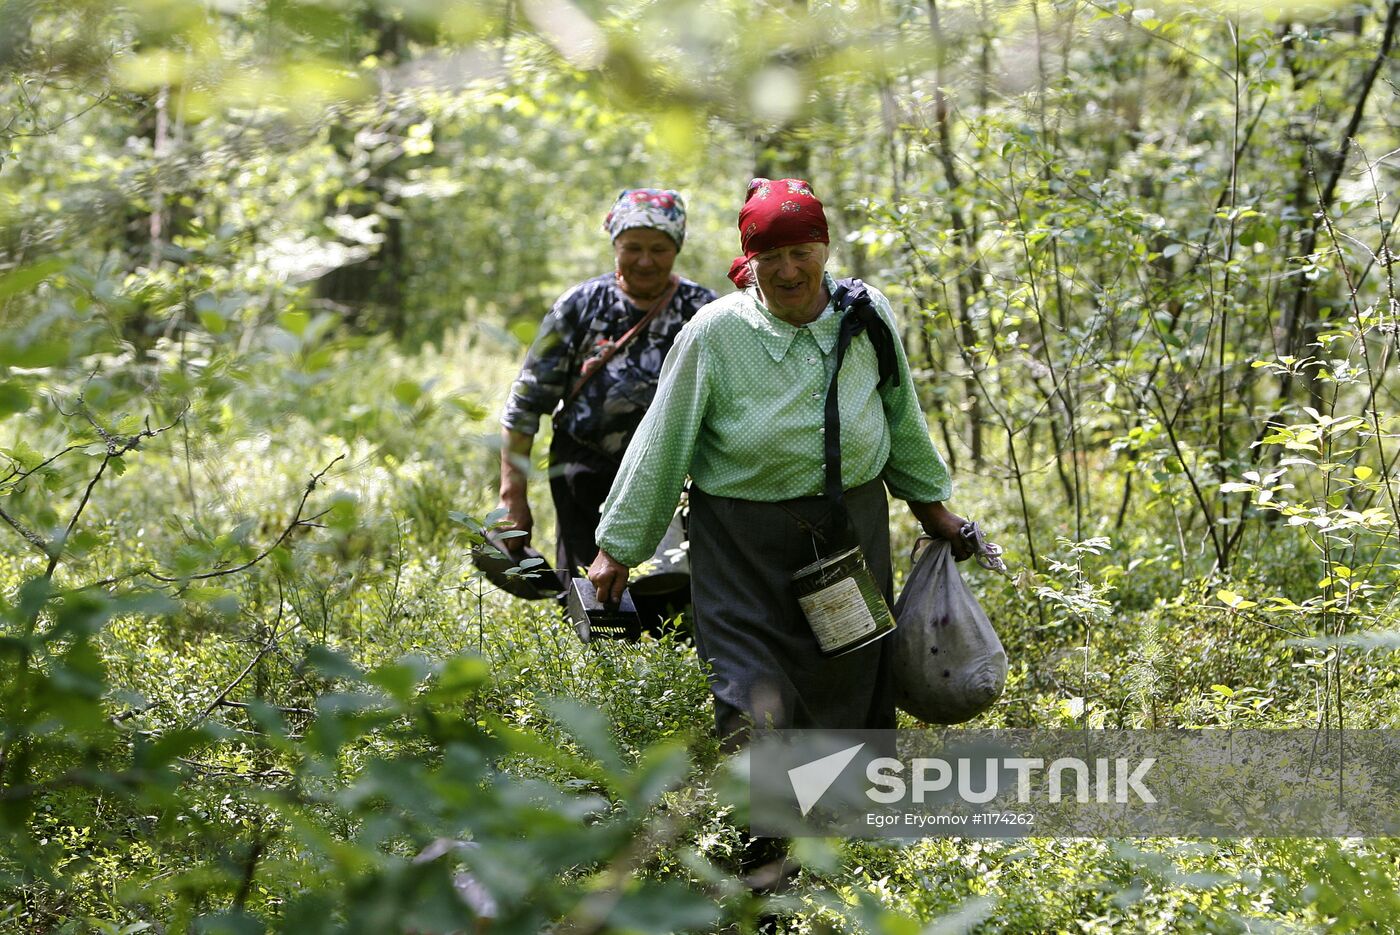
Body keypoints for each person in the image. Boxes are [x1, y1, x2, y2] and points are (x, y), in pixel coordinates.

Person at [587, 178, 974, 750]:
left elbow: (901, 416)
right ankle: (764, 832)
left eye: (801, 253)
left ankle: (841, 823)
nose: (788, 271)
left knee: (849, 687)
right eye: (770, 256)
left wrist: (933, 510)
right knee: (749, 695)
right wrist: (618, 545)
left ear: (824, 250)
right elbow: (663, 439)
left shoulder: (863, 316)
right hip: (742, 545)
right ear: (750, 258)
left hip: (850, 532)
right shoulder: (716, 332)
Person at [498, 189, 718, 607]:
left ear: (677, 247)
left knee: (671, 596)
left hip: (675, 479)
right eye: (632, 247)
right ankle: (594, 667)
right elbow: (526, 404)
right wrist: (513, 498)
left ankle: (670, 671)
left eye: (659, 248)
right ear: (614, 243)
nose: (645, 260)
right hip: (586, 471)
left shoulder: (703, 310)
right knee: (589, 599)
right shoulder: (581, 306)